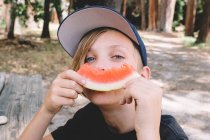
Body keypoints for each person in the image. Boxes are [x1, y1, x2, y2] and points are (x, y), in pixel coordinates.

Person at [19, 6, 188, 140]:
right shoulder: (89, 118)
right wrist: (47, 111)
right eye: (90, 59)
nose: (100, 66)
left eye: (117, 56)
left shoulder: (169, 134)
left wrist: (147, 132)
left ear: (143, 76)